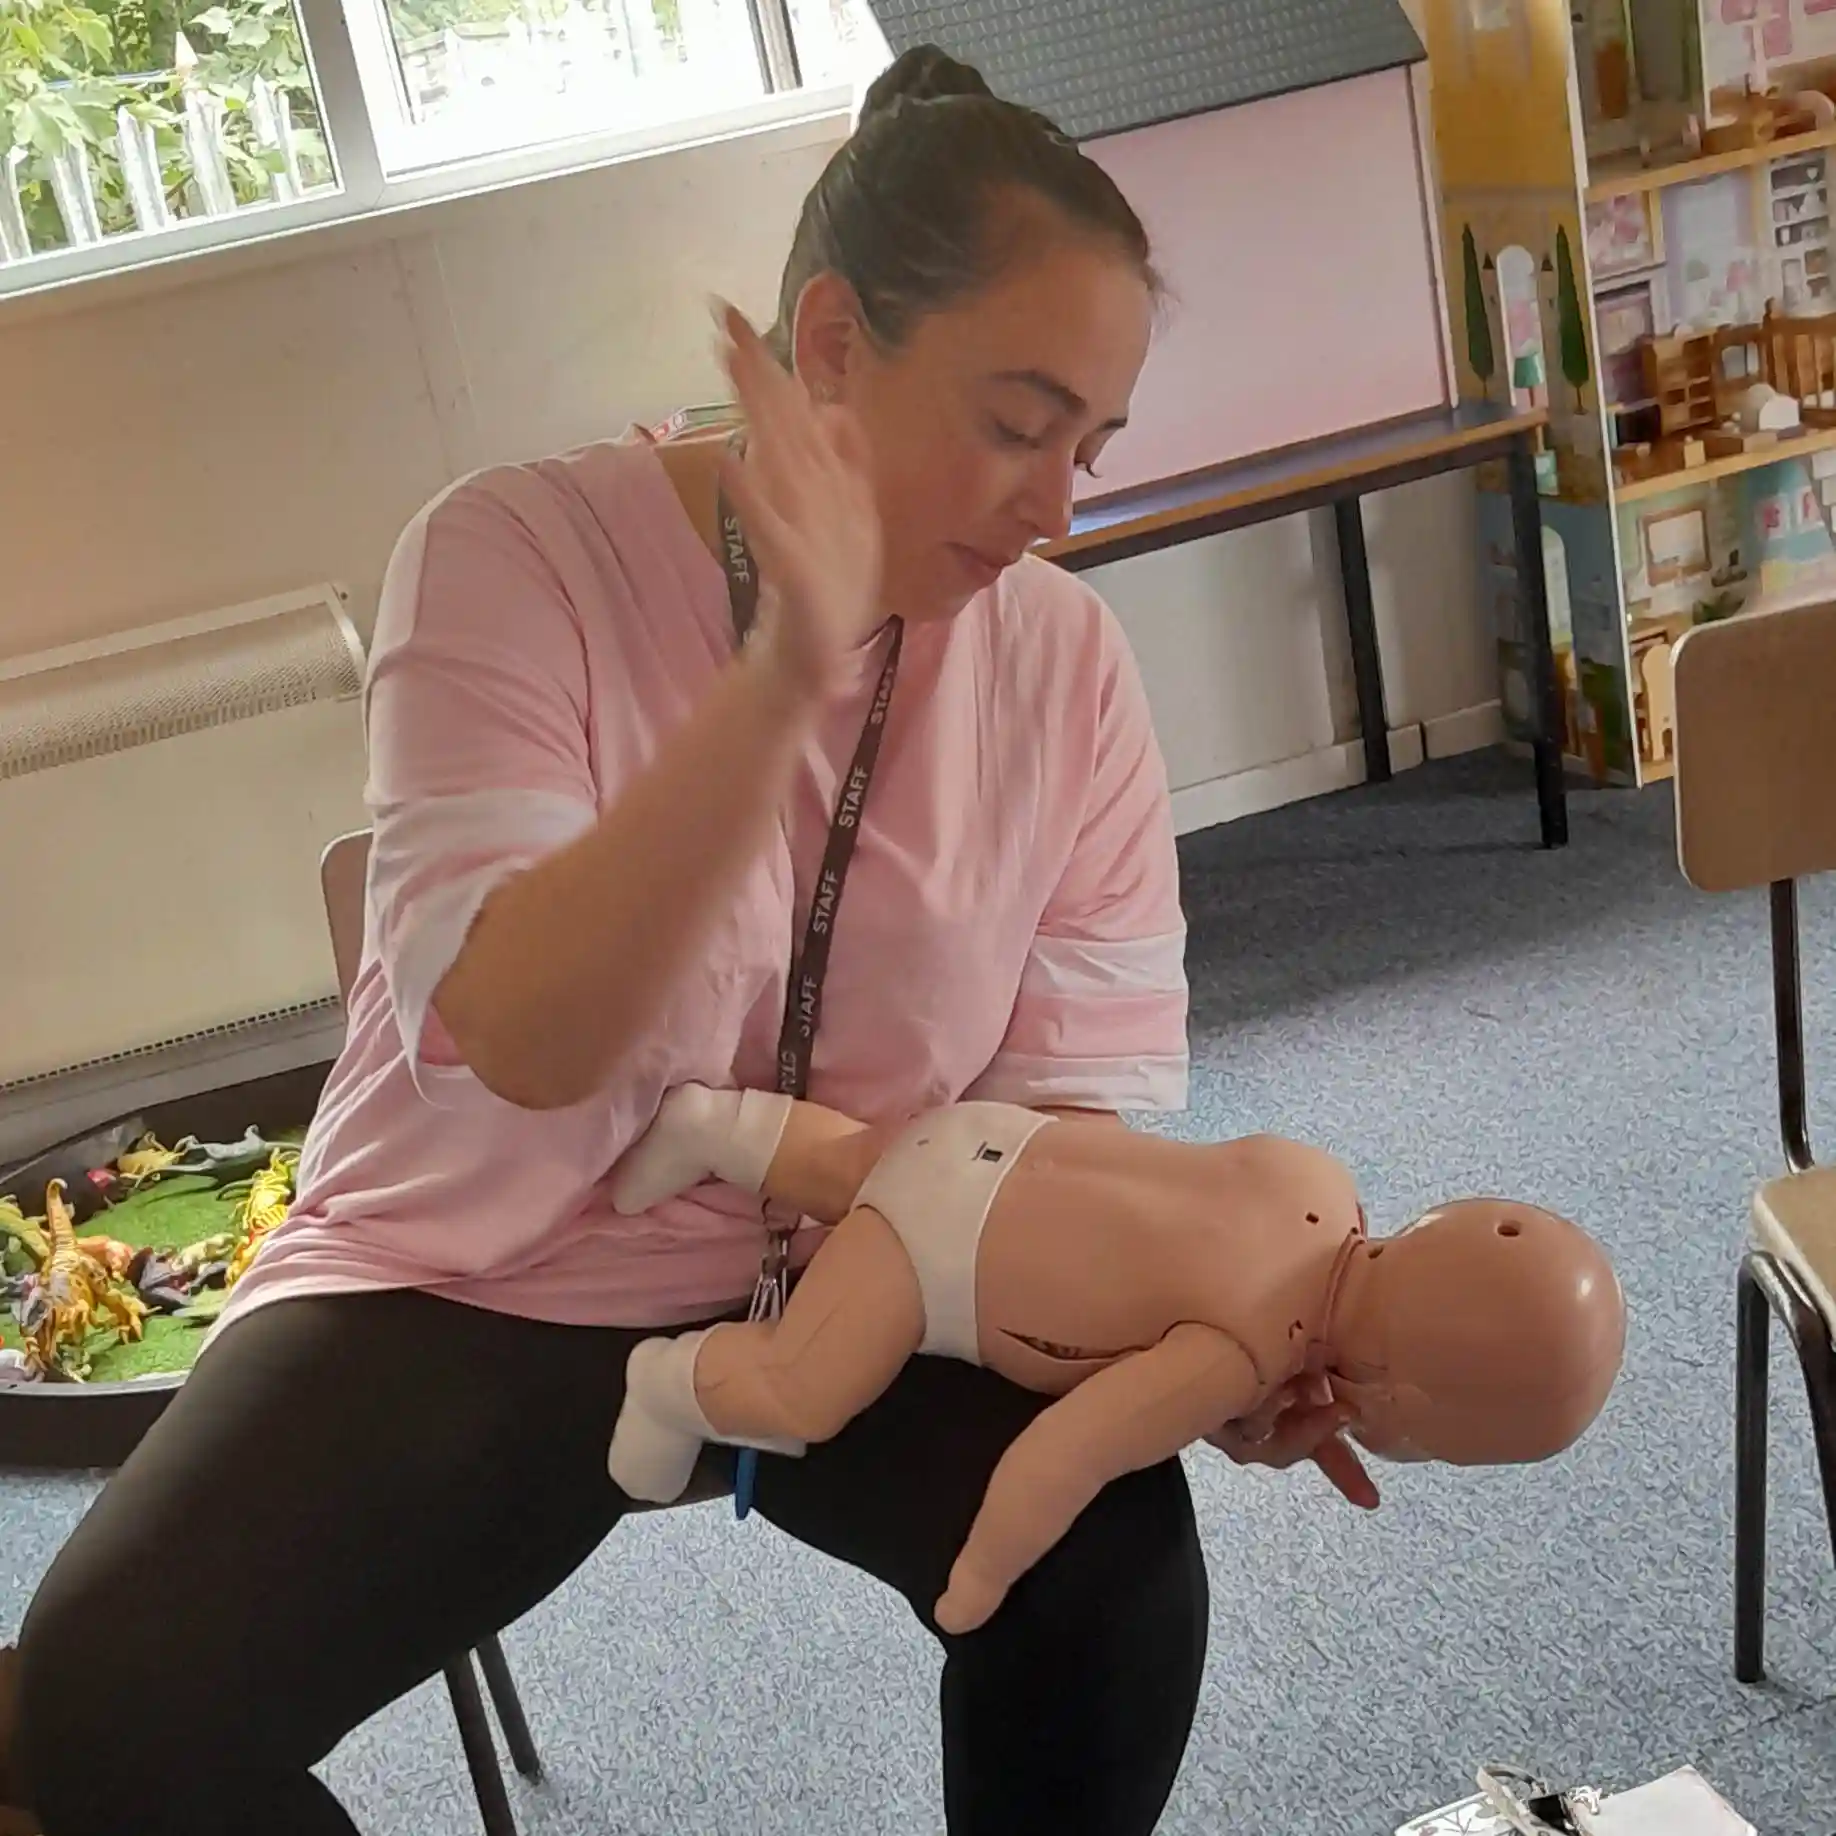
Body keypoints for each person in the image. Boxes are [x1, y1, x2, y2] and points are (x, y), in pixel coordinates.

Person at [8, 43, 1370, 1836]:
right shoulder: (511, 555)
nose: (1059, 507)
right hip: (480, 1279)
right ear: (827, 350)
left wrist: (1175, 1331)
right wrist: (782, 676)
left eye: (1091, 445)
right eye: (1018, 424)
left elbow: (1052, 1139)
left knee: (1110, 1579)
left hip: (873, 1277)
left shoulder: (1059, 664)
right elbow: (526, 1035)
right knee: (89, 1730)